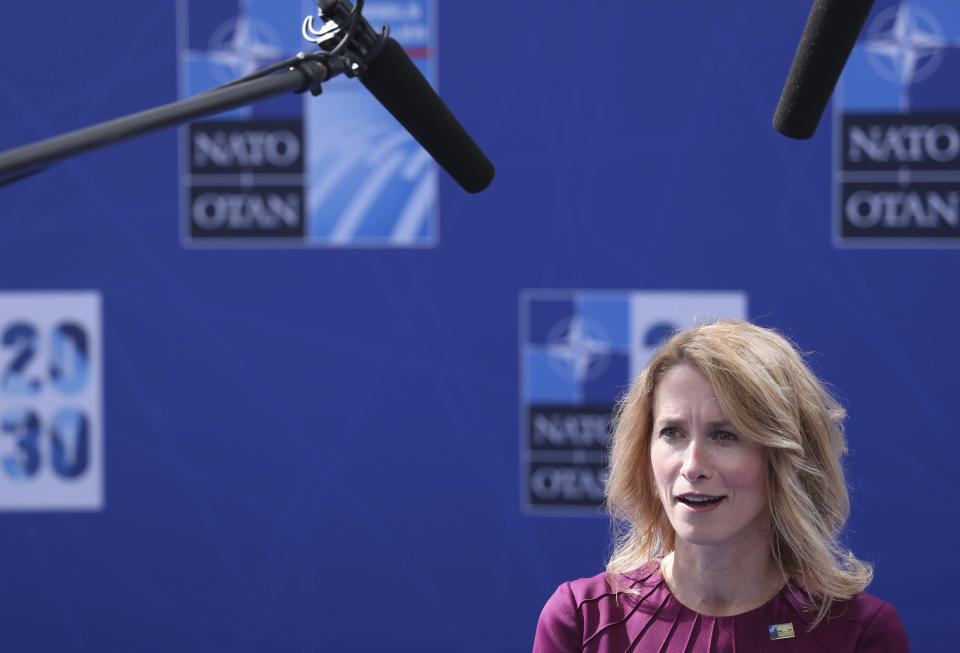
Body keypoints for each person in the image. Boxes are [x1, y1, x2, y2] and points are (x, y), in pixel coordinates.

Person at [533, 320, 908, 652]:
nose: (692, 466)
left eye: (725, 435)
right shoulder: (584, 622)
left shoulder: (858, 633)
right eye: (672, 432)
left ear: (782, 457)